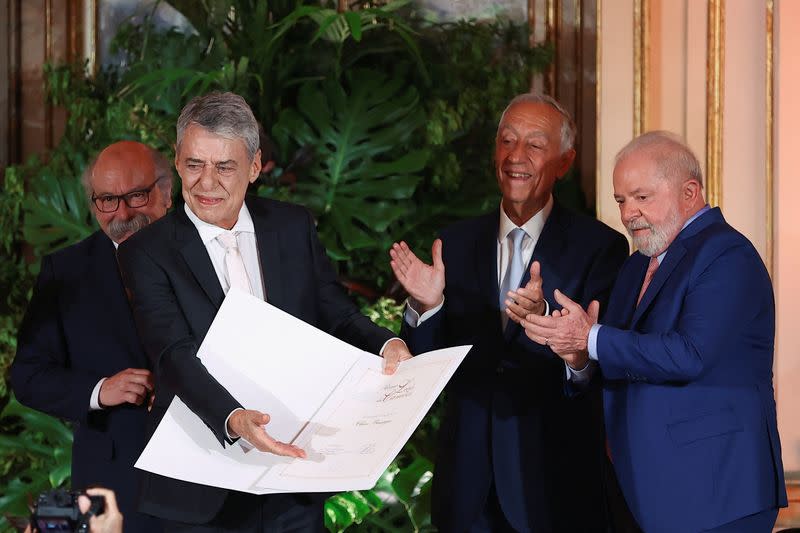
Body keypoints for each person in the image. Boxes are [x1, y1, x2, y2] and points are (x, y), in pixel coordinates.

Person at [116, 91, 412, 532]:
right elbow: (171, 353)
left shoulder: (292, 227)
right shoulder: (146, 251)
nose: (206, 182)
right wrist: (234, 419)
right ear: (177, 162)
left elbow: (337, 314)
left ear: (254, 168)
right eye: (194, 164)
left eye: (225, 166)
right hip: (199, 488)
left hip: (292, 482)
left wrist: (388, 344)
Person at [522, 131, 788, 532]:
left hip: (716, 490)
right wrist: (576, 355)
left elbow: (689, 355)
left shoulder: (728, 253)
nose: (628, 214)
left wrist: (590, 338)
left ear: (690, 192)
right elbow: (621, 357)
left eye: (641, 197)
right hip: (644, 489)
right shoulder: (635, 265)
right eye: (621, 200)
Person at [389, 93, 629, 532]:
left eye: (535, 145)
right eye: (506, 141)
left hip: (553, 483)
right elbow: (427, 364)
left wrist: (563, 341)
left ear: (564, 161)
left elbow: (601, 367)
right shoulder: (456, 243)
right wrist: (427, 306)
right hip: (468, 486)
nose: (516, 156)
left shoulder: (601, 248)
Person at [11, 140, 173, 533]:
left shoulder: (213, 252)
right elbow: (27, 376)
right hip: (116, 485)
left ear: (167, 190)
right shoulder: (64, 272)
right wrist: (100, 390)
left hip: (213, 476)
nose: (122, 213)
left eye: (136, 195)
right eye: (107, 200)